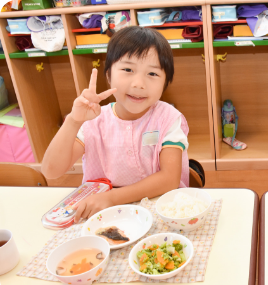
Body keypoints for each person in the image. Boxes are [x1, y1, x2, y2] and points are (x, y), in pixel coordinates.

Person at [42, 27, 189, 221]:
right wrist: (73, 121)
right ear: (109, 74)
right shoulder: (93, 121)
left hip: (158, 209)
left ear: (165, 83)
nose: (139, 84)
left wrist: (112, 198)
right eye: (128, 70)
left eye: (152, 74)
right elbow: (51, 171)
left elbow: (169, 179)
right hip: (103, 215)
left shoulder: (168, 118)